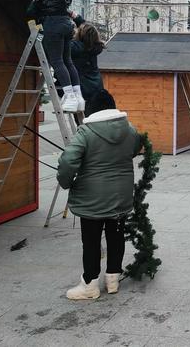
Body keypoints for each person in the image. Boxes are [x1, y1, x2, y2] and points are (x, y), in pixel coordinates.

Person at [57, 89, 142, 300]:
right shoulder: (130, 130)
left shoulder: (86, 132)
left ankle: (89, 285)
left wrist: (66, 182)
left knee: (92, 240)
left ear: (92, 109)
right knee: (116, 235)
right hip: (121, 195)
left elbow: (68, 161)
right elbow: (135, 147)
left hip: (91, 198)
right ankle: (113, 278)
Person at [0, 0, 84, 113]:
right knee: (67, 61)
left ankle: (69, 96)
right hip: (65, 23)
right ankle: (77, 97)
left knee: (57, 61)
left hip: (53, 23)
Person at [69, 13, 104, 103]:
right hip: (96, 87)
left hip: (81, 88)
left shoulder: (74, 47)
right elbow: (88, 30)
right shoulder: (95, 46)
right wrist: (76, 17)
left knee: (82, 115)